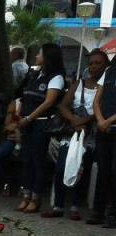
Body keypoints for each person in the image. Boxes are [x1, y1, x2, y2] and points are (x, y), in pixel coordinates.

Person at [47, 49, 107, 219]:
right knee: (62, 167)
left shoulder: (105, 88)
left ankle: (75, 206)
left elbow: (103, 109)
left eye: (98, 63)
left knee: (82, 169)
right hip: (73, 131)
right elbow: (63, 106)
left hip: (91, 132)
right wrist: (74, 120)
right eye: (91, 63)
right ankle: (58, 205)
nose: (94, 66)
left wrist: (85, 121)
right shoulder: (79, 83)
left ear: (105, 66)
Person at [17, 43, 65, 213]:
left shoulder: (56, 77)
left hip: (41, 123)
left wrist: (30, 118)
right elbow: (23, 95)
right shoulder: (35, 74)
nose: (37, 56)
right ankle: (26, 194)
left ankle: (36, 197)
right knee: (27, 160)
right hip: (26, 123)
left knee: (37, 161)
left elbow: (49, 102)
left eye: (40, 53)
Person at [93, 54, 116, 227]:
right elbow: (97, 100)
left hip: (111, 125)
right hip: (104, 129)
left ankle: (113, 213)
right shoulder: (109, 72)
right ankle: (98, 211)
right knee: (103, 171)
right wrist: (101, 120)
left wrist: (108, 121)